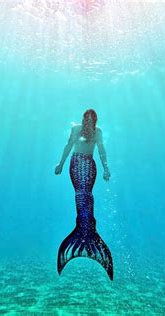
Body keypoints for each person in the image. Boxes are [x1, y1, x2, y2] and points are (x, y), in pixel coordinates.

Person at [54, 109, 113, 280]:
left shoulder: (98, 132)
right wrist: (61, 164)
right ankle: (84, 230)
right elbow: (68, 145)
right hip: (76, 163)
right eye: (85, 118)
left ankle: (87, 230)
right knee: (80, 194)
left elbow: (101, 149)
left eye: (91, 119)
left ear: (94, 121)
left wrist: (106, 168)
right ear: (82, 119)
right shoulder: (76, 129)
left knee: (88, 195)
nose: (87, 122)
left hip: (89, 163)